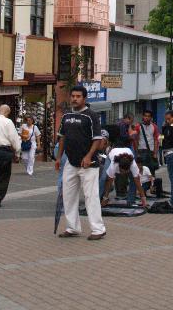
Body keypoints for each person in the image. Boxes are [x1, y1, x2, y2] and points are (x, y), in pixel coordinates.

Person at [55, 86, 106, 240]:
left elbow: (97, 139)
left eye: (78, 96)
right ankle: (72, 227)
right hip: (70, 162)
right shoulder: (66, 116)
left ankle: (98, 229)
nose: (75, 99)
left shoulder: (91, 116)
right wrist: (59, 158)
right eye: (73, 96)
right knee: (68, 196)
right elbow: (62, 137)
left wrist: (89, 156)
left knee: (91, 196)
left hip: (88, 164)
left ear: (84, 98)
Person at [134, 110, 159, 175]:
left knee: (151, 170)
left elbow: (156, 140)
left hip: (151, 152)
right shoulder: (138, 126)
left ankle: (151, 181)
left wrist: (155, 153)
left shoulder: (154, 127)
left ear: (151, 118)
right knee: (142, 171)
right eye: (145, 116)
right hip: (141, 151)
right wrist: (137, 152)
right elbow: (135, 140)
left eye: (148, 116)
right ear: (143, 117)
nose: (147, 117)